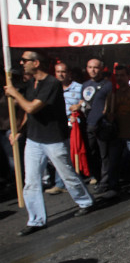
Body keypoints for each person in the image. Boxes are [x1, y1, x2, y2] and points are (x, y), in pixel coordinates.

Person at [4, 50, 94, 237]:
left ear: (36, 63)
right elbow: (28, 114)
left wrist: (14, 93)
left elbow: (31, 107)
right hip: (34, 140)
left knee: (67, 175)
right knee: (31, 181)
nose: (22, 63)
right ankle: (36, 220)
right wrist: (19, 131)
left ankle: (85, 201)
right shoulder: (31, 83)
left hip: (53, 139)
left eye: (25, 60)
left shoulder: (52, 83)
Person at [69, 58, 113, 193]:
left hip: (103, 125)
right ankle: (98, 178)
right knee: (91, 153)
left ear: (101, 69)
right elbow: (84, 101)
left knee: (104, 155)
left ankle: (105, 183)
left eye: (95, 67)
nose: (92, 70)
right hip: (89, 124)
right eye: (89, 67)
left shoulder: (108, 85)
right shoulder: (85, 84)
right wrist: (77, 107)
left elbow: (110, 104)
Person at [104, 65, 130, 198]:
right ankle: (113, 186)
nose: (119, 78)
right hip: (116, 133)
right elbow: (107, 112)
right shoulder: (113, 94)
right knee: (114, 160)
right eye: (117, 75)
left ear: (129, 77)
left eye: (122, 75)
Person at [45, 62, 83, 195]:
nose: (61, 75)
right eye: (58, 72)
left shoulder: (79, 88)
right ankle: (60, 183)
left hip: (74, 126)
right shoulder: (51, 88)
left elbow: (85, 101)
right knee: (58, 155)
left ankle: (71, 183)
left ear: (69, 73)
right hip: (57, 126)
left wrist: (79, 106)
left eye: (64, 72)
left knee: (68, 154)